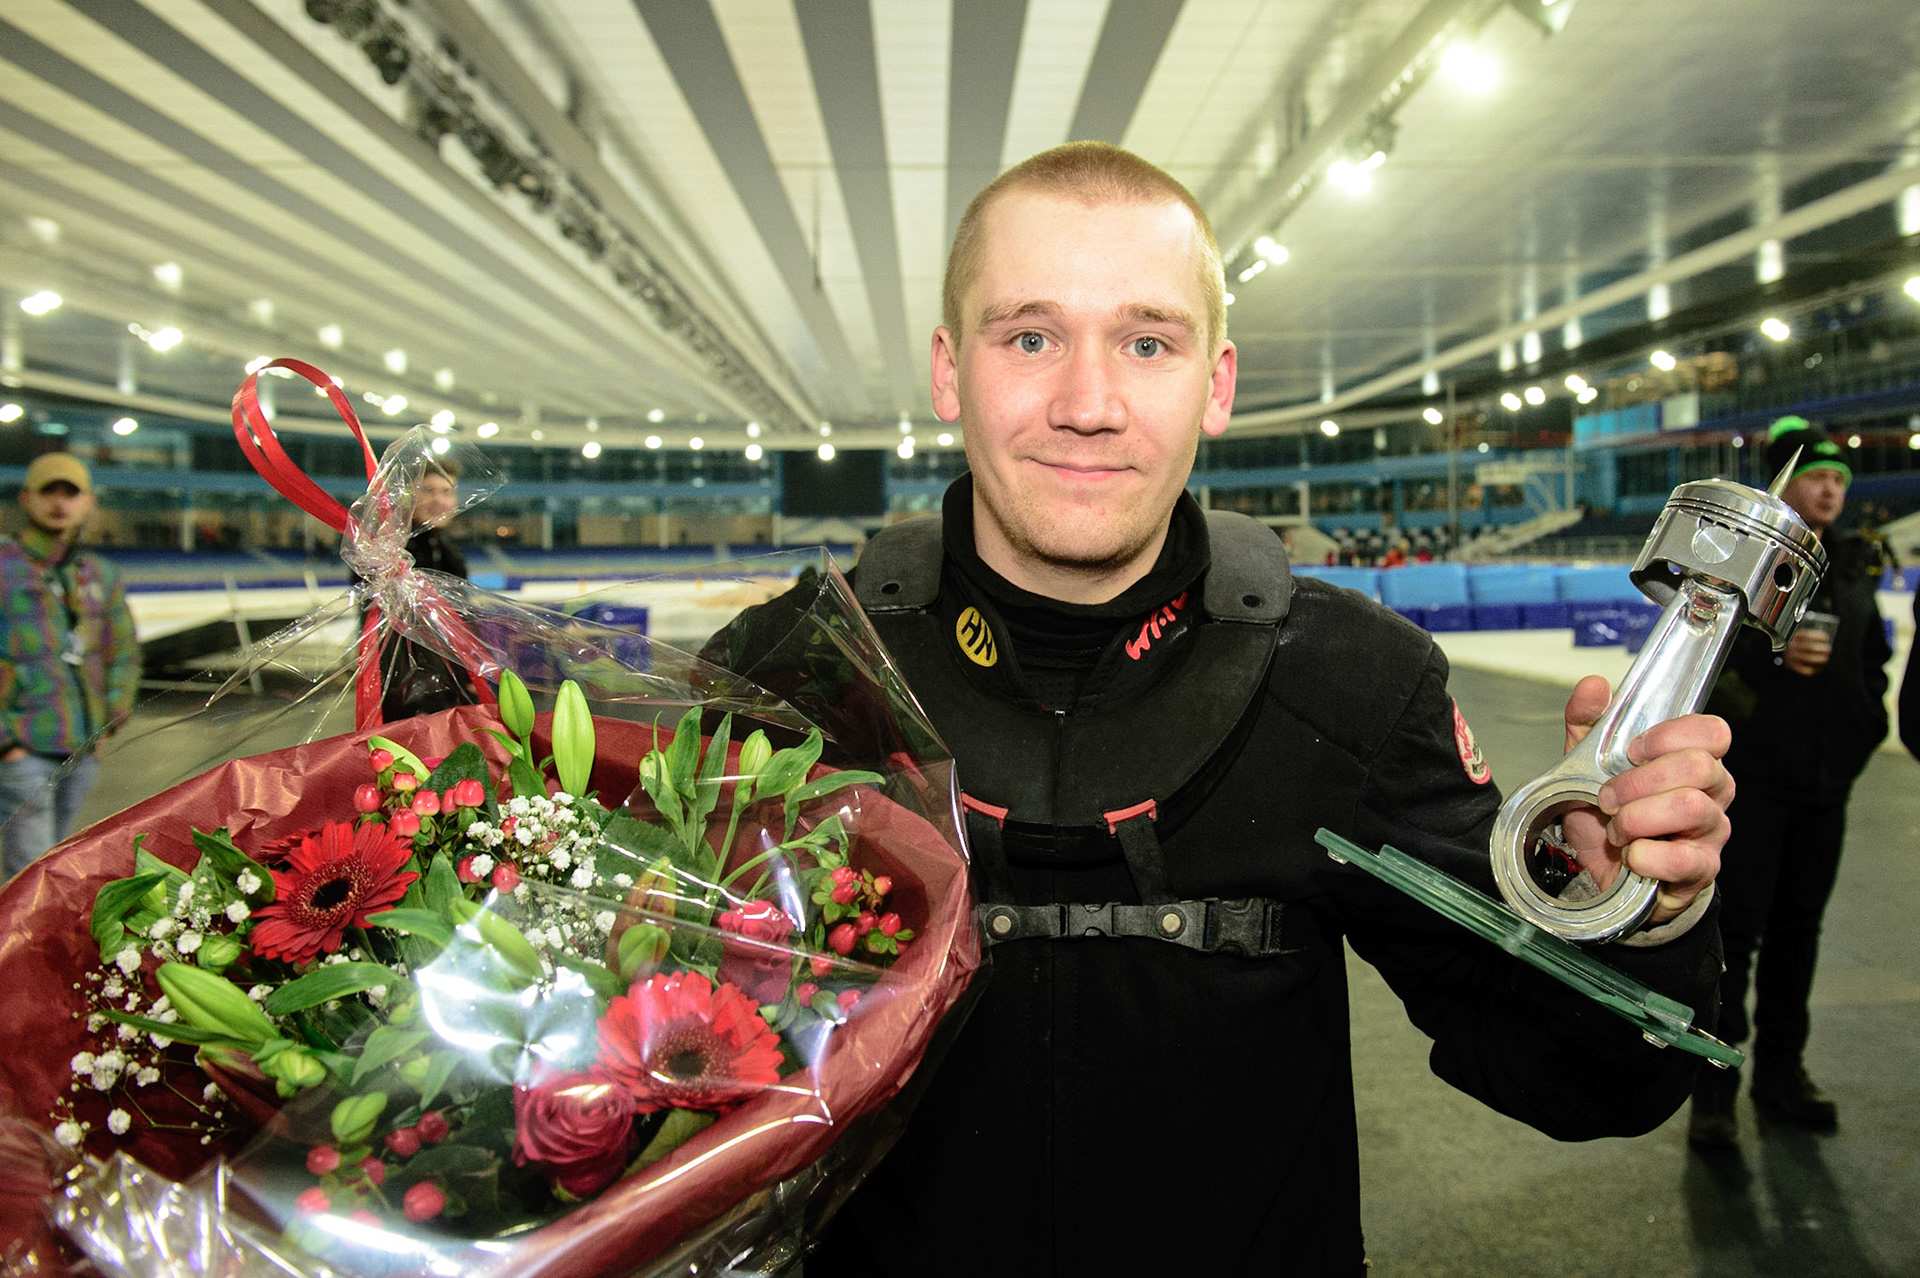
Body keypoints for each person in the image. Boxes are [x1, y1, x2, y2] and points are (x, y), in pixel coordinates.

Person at [706, 143, 1731, 1274]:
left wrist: (1625, 904)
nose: (1088, 405)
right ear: (952, 372)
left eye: (1147, 342)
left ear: (1219, 383)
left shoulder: (1354, 681)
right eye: (1030, 337)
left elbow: (1588, 1083)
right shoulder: (785, 680)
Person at [1689, 417, 1889, 1147]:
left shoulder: (1857, 562)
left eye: (1841, 480)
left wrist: (1864, 723)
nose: (1832, 489)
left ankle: (1782, 1074)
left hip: (1825, 788)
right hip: (1756, 786)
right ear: (1787, 481)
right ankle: (1713, 1088)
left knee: (1799, 935)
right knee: (1733, 938)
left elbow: (1874, 661)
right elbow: (1709, 665)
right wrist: (1771, 668)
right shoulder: (1751, 558)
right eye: (1819, 477)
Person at [0, 454, 139, 879]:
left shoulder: (98, 572)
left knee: (55, 862)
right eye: (48, 491)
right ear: (27, 499)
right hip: (23, 746)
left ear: (88, 503)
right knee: (33, 873)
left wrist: (110, 720)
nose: (59, 503)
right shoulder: (5, 568)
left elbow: (122, 650)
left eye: (71, 492)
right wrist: (6, 743)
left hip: (82, 746)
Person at [374, 460, 478, 721]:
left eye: (447, 492)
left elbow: (456, 621)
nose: (439, 501)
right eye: (428, 490)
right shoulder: (390, 549)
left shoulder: (447, 549)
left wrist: (467, 674)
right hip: (407, 686)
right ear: (407, 496)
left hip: (446, 680)